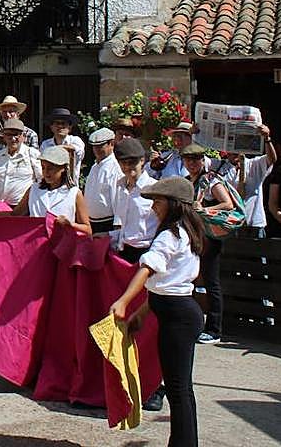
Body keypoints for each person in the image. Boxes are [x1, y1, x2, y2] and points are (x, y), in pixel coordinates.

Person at [110, 177, 205, 447]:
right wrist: (141, 311)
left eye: (158, 201)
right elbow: (165, 283)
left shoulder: (171, 234)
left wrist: (123, 301)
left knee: (178, 389)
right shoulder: (185, 231)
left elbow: (149, 268)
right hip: (177, 311)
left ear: (174, 205)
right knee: (180, 388)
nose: (153, 207)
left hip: (178, 316)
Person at [180, 143, 233, 344]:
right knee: (190, 280)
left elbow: (227, 204)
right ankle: (193, 324)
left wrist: (204, 209)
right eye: (188, 159)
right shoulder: (186, 182)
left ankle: (214, 329)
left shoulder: (211, 180)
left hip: (209, 238)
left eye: (196, 159)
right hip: (191, 238)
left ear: (202, 160)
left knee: (211, 282)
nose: (192, 163)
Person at [0, 146, 92, 234]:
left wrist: (70, 225)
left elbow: (87, 229)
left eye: (51, 168)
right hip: (36, 248)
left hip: (62, 249)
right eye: (43, 168)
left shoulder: (74, 193)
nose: (46, 172)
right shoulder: (34, 189)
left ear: (63, 168)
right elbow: (15, 214)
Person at [110, 138, 158, 263]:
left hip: (146, 252)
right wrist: (109, 235)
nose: (127, 166)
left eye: (131, 162)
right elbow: (127, 225)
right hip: (124, 250)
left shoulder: (155, 189)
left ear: (142, 161)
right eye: (123, 163)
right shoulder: (120, 188)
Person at [227, 124, 275, 238]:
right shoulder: (220, 166)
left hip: (254, 224)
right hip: (231, 224)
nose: (234, 153)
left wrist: (267, 139)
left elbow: (272, 159)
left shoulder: (254, 164)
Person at [0, 118, 42, 207]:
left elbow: (41, 182)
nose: (13, 139)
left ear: (23, 137)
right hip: (0, 208)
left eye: (16, 135)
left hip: (24, 208)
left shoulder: (32, 154)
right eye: (9, 134)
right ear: (4, 136)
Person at [84, 128, 120, 233]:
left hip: (107, 223)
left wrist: (117, 226)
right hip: (91, 222)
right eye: (94, 146)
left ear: (111, 144)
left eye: (100, 146)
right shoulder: (95, 167)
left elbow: (117, 198)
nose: (96, 150)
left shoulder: (115, 168)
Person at [40, 108, 85, 177]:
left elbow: (77, 152)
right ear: (51, 127)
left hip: (70, 186)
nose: (60, 126)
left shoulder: (76, 141)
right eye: (57, 123)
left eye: (63, 123)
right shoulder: (45, 144)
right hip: (50, 185)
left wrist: (55, 150)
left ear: (70, 127)